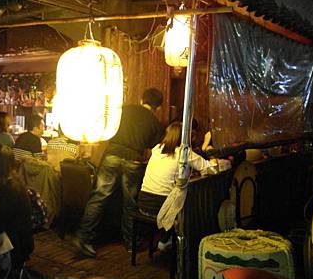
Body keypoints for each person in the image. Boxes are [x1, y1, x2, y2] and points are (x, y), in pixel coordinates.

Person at [75, 88, 164, 258]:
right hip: (134, 159)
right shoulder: (154, 122)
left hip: (112, 154)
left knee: (99, 196)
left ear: (141, 99)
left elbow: (108, 127)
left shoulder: (123, 111)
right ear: (157, 107)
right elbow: (154, 145)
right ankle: (131, 244)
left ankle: (85, 239)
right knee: (130, 202)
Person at [137, 122, 216, 251]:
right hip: (161, 207)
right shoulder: (184, 152)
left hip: (143, 203)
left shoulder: (157, 149)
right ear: (184, 137)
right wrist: (210, 152)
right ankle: (185, 245)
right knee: (193, 205)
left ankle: (167, 237)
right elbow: (210, 168)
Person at [0, 145, 34, 268]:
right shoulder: (11, 182)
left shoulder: (10, 188)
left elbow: (3, 222)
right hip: (17, 236)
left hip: (15, 242)